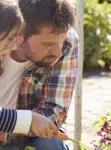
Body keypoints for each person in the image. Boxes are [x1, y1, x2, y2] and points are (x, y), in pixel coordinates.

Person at [0, 0, 79, 149]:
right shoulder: (2, 33)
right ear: (20, 34)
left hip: (22, 134)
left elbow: (55, 112)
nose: (58, 52)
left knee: (49, 144)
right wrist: (26, 120)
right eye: (48, 44)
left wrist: (14, 126)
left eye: (60, 42)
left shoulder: (68, 40)